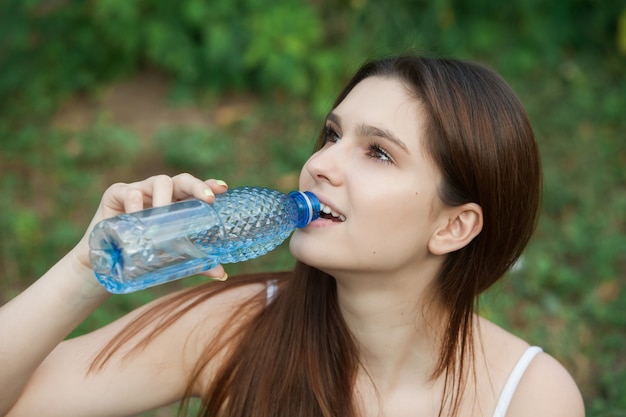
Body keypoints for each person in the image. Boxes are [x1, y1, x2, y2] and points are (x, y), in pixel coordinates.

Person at [0, 55, 584, 417]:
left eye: (377, 152)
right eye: (331, 136)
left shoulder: (530, 398)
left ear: (453, 226)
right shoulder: (234, 326)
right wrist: (85, 268)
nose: (321, 165)